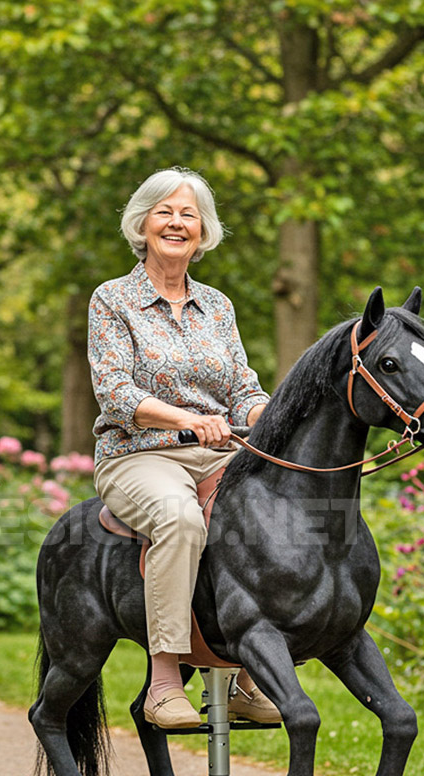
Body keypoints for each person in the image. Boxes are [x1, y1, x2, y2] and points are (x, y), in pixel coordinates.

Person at [88, 166, 280, 729]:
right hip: (137, 453)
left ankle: (248, 676)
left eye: (188, 214)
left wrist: (271, 417)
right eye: (164, 212)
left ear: (203, 231)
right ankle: (165, 678)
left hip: (219, 450)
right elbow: (116, 391)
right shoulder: (113, 300)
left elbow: (243, 388)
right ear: (142, 223)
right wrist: (190, 420)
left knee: (273, 516)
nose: (176, 222)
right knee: (179, 518)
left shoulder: (218, 306)